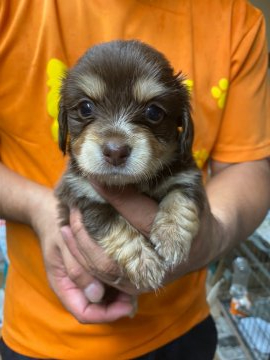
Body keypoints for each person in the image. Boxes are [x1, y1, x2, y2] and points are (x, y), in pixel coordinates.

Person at [0, 0, 269, 359]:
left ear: (181, 128)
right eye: (86, 110)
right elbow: (78, 203)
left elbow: (246, 166)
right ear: (65, 122)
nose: (115, 144)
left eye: (153, 112)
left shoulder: (238, 19)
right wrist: (38, 208)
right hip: (42, 335)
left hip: (181, 327)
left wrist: (208, 234)